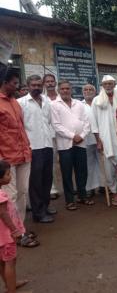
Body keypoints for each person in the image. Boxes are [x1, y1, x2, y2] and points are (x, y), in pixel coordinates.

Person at [0, 70, 38, 248]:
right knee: (11, 195)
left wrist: (28, 147)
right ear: (5, 82)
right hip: (6, 157)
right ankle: (14, 233)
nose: (17, 87)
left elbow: (21, 128)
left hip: (23, 153)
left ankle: (20, 228)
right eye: (14, 84)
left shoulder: (15, 103)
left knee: (23, 192)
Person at [51, 80, 93, 210]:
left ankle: (82, 196)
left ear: (71, 89)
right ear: (59, 90)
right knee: (67, 173)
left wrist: (82, 136)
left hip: (80, 143)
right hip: (65, 145)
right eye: (62, 89)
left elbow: (87, 122)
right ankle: (69, 200)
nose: (65, 91)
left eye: (67, 88)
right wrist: (72, 136)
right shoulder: (54, 105)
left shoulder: (79, 104)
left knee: (82, 171)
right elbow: (56, 125)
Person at [18, 75, 55, 223]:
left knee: (47, 178)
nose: (36, 87)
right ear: (28, 85)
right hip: (33, 147)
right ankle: (38, 213)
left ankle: (45, 207)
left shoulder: (46, 101)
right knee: (35, 181)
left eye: (39, 85)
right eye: (33, 85)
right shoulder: (21, 103)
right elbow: (19, 126)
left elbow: (50, 121)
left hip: (47, 145)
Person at [91, 75, 117, 206]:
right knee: (109, 170)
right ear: (102, 86)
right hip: (106, 139)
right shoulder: (97, 100)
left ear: (114, 84)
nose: (108, 86)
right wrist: (98, 141)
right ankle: (114, 193)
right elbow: (94, 123)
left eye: (110, 83)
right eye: (106, 84)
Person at [0, 160, 29, 293]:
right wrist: (15, 230)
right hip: (6, 236)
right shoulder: (1, 196)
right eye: (7, 174)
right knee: (10, 262)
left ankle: (9, 285)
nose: (10, 176)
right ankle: (11, 289)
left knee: (2, 262)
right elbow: (3, 213)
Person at [82, 84, 102, 198]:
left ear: (95, 92)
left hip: (100, 138)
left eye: (90, 89)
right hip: (86, 139)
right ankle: (90, 188)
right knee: (89, 165)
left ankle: (103, 185)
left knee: (101, 163)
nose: (88, 91)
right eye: (85, 89)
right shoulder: (79, 104)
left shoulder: (99, 103)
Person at [43, 74, 60, 200]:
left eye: (52, 81)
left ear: (55, 82)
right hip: (50, 135)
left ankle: (71, 187)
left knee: (67, 162)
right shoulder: (42, 99)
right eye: (47, 81)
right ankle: (52, 188)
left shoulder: (62, 96)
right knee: (52, 162)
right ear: (44, 83)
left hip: (65, 134)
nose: (50, 83)